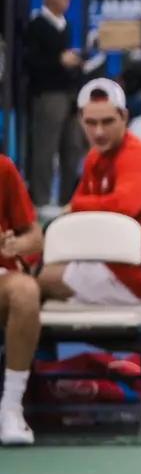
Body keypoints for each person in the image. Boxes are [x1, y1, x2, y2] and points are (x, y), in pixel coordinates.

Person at [37, 79, 141, 310]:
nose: (99, 132)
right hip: (110, 263)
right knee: (26, 269)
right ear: (80, 120)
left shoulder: (137, 156)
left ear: (124, 117)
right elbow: (77, 217)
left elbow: (124, 206)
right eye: (91, 123)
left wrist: (75, 207)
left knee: (28, 283)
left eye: (108, 122)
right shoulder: (94, 158)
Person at [22, 0, 88, 210]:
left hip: (69, 92)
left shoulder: (65, 25)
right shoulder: (37, 25)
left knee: (73, 145)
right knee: (45, 147)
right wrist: (58, 60)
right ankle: (39, 199)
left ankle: (68, 198)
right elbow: (30, 61)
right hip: (48, 94)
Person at [0, 155, 44, 446]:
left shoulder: (3, 169)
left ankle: (11, 407)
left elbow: (35, 236)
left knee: (27, 291)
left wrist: (17, 245)